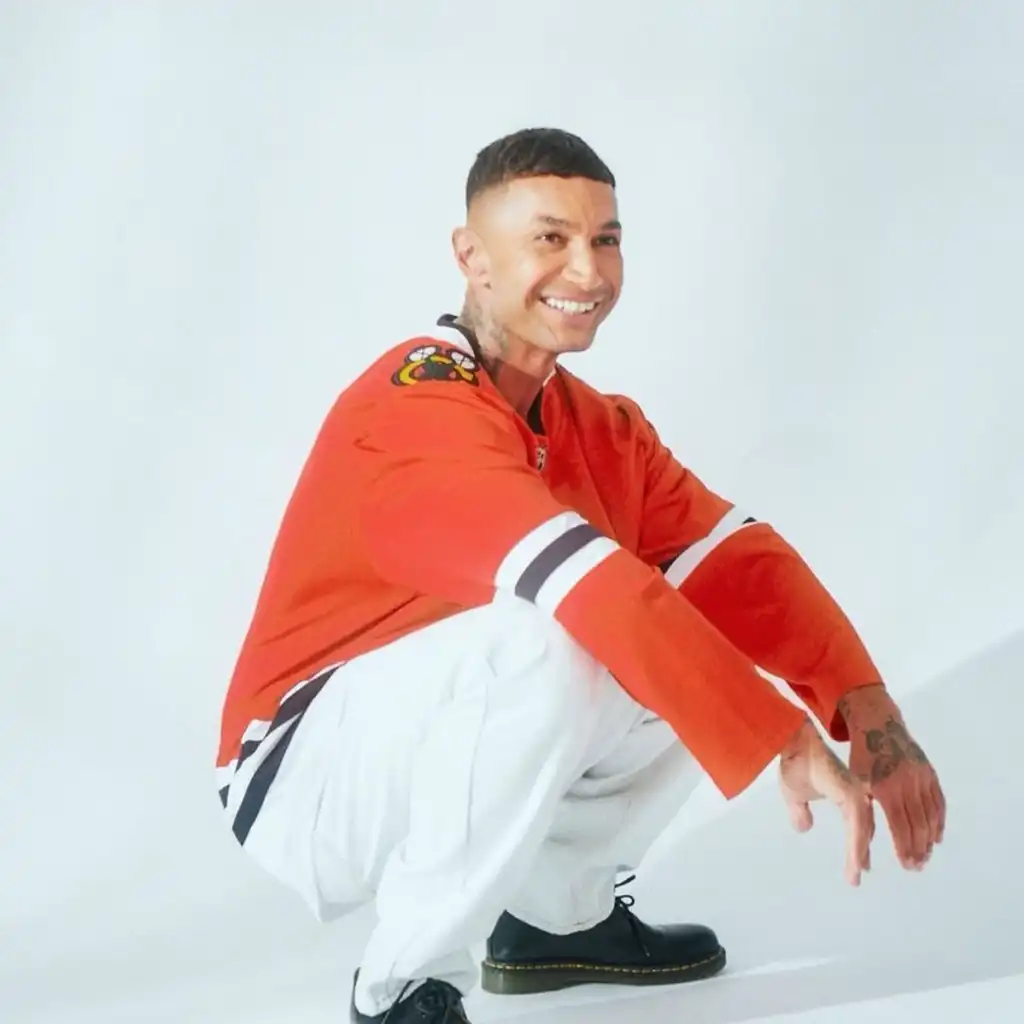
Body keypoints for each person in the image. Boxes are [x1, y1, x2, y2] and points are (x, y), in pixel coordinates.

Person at [214, 127, 947, 1024]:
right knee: (564, 631)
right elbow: (591, 591)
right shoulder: (411, 408)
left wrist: (869, 712)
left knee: (677, 623)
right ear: (472, 257)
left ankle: (557, 918)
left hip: (421, 736)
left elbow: (740, 567)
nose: (588, 270)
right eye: (550, 238)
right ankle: (402, 985)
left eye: (606, 239)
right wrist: (783, 739)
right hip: (301, 773)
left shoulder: (596, 425)